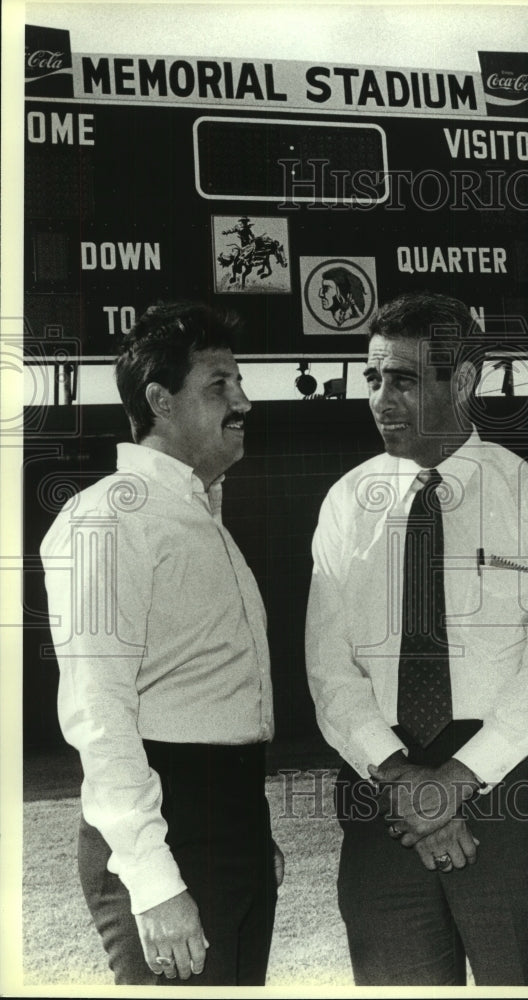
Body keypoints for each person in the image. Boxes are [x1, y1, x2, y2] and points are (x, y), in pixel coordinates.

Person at [305, 291, 528, 986]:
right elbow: (329, 668)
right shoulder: (346, 502)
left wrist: (457, 782)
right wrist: (404, 781)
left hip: (511, 786)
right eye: (372, 378)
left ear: (462, 381)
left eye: (402, 379)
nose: (381, 399)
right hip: (383, 792)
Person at [40, 302, 284, 986]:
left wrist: (247, 833)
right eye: (219, 386)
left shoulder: (195, 513)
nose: (243, 402)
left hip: (232, 819)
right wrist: (153, 881)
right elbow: (98, 713)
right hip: (168, 829)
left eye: (240, 382)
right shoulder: (107, 517)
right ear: (160, 401)